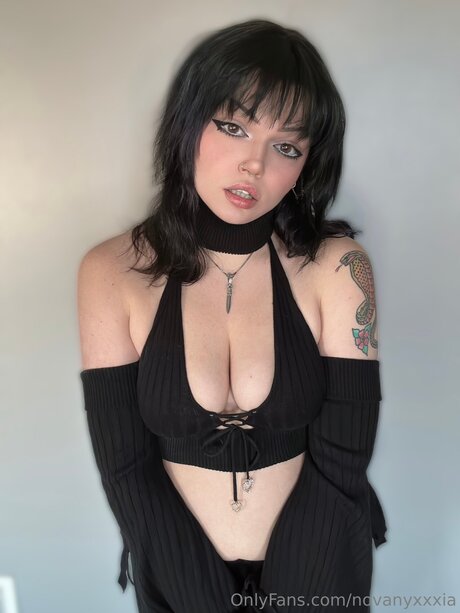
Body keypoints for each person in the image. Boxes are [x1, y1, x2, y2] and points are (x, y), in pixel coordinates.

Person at [78, 18, 388, 613]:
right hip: (176, 581)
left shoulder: (338, 268)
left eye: (286, 146)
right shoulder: (110, 272)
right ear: (188, 121)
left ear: (306, 165)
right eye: (233, 126)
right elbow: (126, 470)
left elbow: (343, 463)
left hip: (321, 574)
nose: (254, 164)